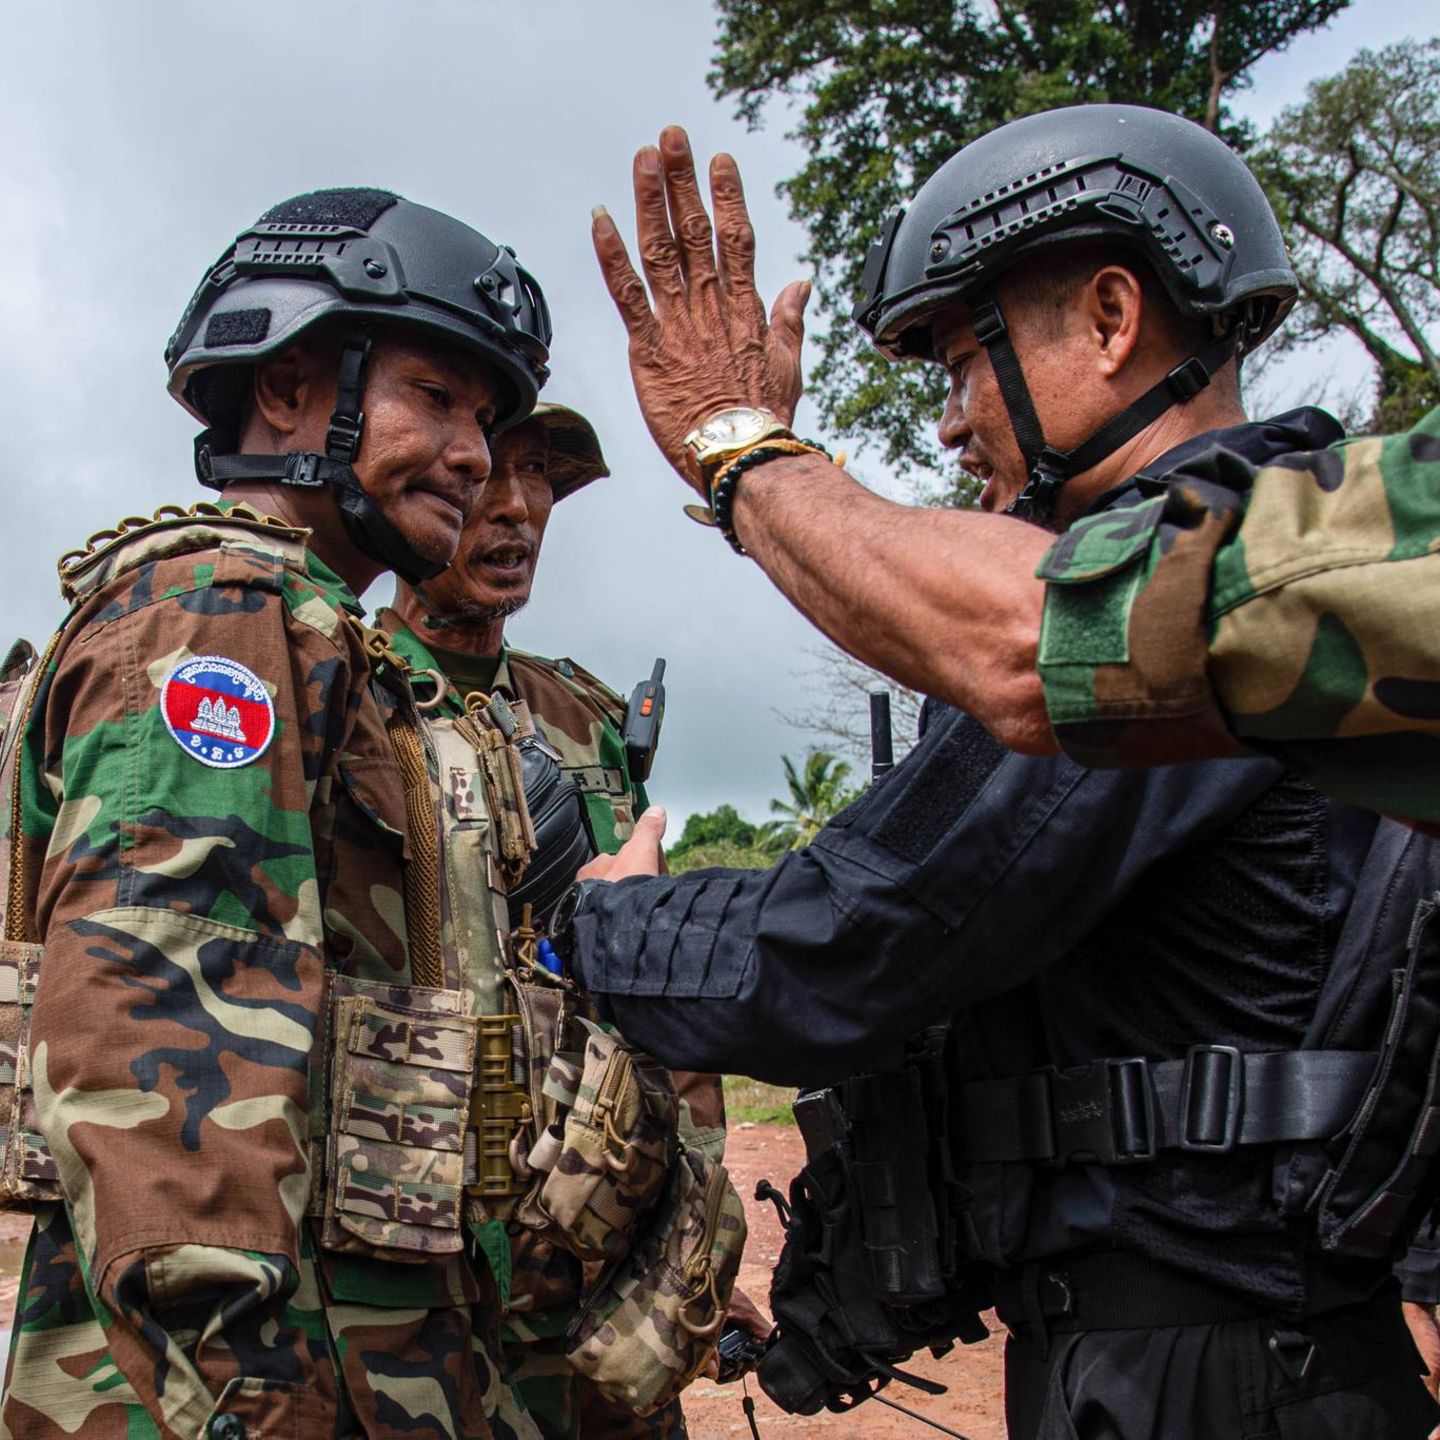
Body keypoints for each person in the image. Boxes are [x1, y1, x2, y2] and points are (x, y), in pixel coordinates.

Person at [558, 112, 1440, 1436]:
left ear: (1109, 317)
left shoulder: (1176, 662)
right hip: (1254, 1355)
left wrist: (592, 925)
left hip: (1198, 1375)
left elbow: (853, 941)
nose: (958, 420)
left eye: (967, 361)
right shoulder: (1301, 595)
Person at [0, 187, 554, 1440]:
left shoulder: (313, 631)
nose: (476, 455)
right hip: (239, 1390)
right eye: (438, 397)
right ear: (295, 388)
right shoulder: (219, 618)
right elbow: (160, 1056)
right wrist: (248, 1403)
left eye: (489, 414)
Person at [379, 403, 723, 1439]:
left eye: (539, 480)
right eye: (490, 477)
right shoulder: (348, 696)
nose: (519, 508)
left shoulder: (585, 718)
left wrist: (694, 1238)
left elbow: (665, 996)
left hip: (590, 1240)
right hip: (412, 1256)